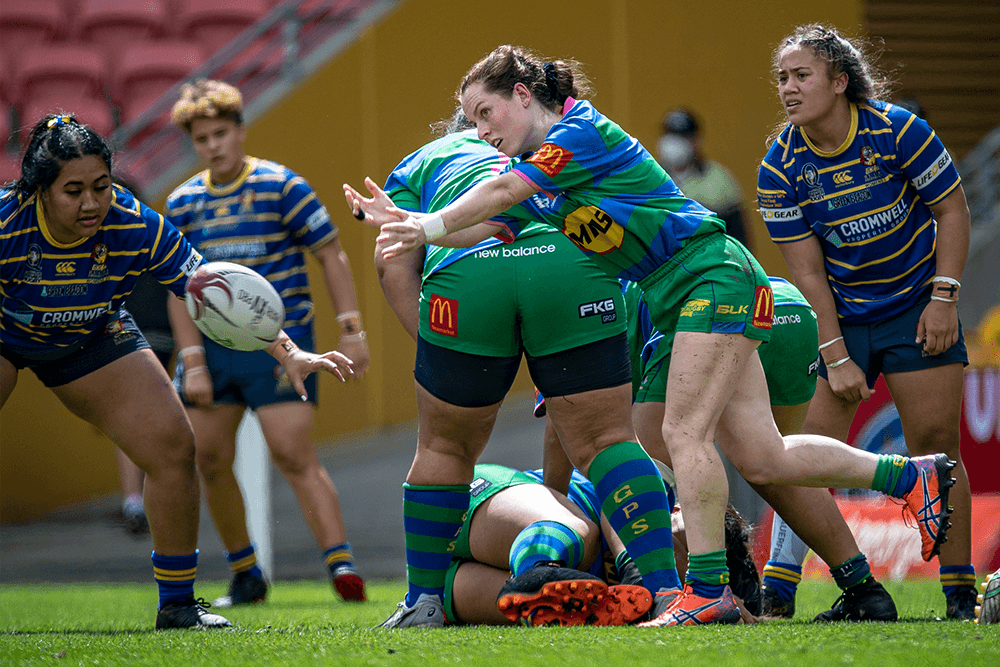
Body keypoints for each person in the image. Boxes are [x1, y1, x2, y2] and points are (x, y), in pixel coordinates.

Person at [348, 44, 956, 626]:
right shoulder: (545, 175)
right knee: (764, 455)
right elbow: (487, 226)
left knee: (680, 433)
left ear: (525, 95)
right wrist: (413, 230)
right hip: (707, 286)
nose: (480, 130)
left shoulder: (575, 132)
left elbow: (505, 192)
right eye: (473, 120)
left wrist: (428, 218)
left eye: (487, 112)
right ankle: (910, 475)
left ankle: (707, 593)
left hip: (708, 282)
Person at [0, 113, 351, 630]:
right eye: (73, 191)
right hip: (7, 334)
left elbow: (213, 292)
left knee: (174, 448)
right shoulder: (8, 222)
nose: (92, 202)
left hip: (92, 338)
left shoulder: (134, 222)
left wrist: (287, 351)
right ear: (39, 191)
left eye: (101, 185)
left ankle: (178, 605)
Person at [366, 112, 683, 629]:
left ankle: (422, 602)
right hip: (571, 262)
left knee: (444, 448)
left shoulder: (421, 163)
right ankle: (666, 593)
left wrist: (435, 349)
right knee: (608, 440)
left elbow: (391, 257)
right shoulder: (550, 143)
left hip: (468, 272)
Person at [757, 23, 975, 620]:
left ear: (839, 81)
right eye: (782, 78)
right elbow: (808, 274)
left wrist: (944, 298)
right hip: (842, 317)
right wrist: (835, 349)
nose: (788, 89)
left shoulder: (899, 130)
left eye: (801, 76)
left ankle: (960, 596)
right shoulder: (778, 168)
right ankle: (778, 591)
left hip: (916, 308)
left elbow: (952, 210)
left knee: (937, 450)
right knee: (803, 453)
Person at [164, 80, 370, 606]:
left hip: (285, 346)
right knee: (207, 458)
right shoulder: (184, 201)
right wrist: (193, 363)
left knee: (293, 452)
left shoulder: (283, 186)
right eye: (202, 137)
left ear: (241, 130)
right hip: (210, 351)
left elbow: (330, 253)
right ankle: (246, 574)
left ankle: (341, 566)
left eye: (221, 133)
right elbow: (178, 292)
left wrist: (353, 330)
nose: (213, 145)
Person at [656, 108, 755, 252]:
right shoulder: (652, 178)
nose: (674, 143)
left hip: (708, 265)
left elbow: (739, 240)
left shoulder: (719, 180)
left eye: (683, 137)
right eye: (670, 135)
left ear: (696, 140)